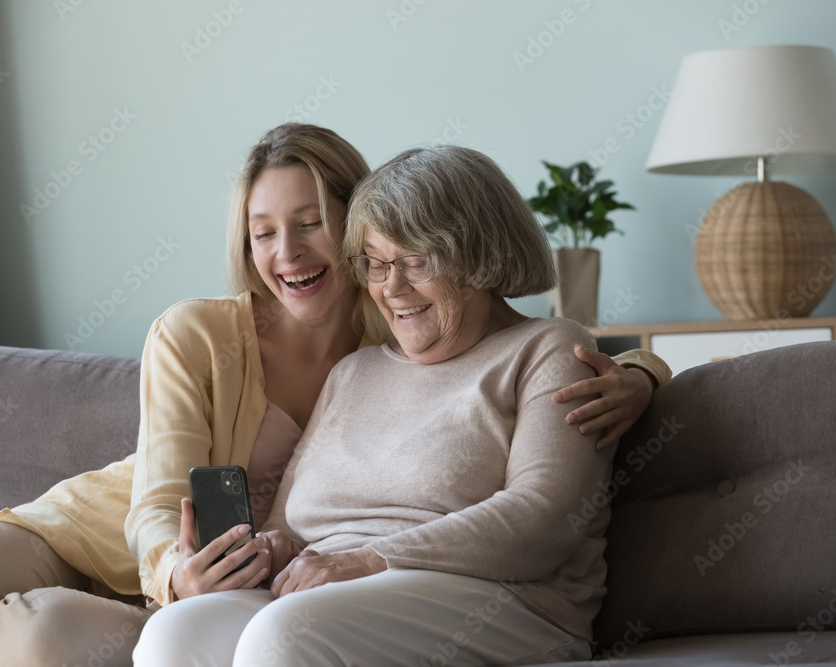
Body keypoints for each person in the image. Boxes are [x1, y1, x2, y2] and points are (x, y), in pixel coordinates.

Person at [0, 126, 667, 666]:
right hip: (120, 540)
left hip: (313, 585)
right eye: (263, 231)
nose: (288, 251)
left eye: (311, 223)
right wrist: (190, 568)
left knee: (49, 641)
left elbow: (543, 483)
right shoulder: (213, 337)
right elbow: (165, 500)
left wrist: (640, 374)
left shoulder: (423, 336)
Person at [132, 144, 643, 666]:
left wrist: (368, 559)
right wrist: (270, 549)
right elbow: (288, 524)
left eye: (414, 261)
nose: (391, 288)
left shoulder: (548, 347)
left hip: (507, 599)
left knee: (284, 635)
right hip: (339, 592)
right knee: (174, 633)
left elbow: (543, 521)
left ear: (479, 255)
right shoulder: (355, 371)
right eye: (375, 265)